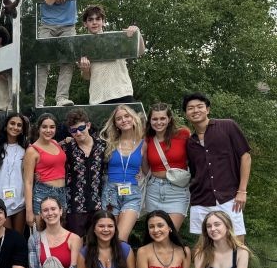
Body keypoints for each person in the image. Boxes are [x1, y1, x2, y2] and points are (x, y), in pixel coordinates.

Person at [184, 93, 251, 241]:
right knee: (205, 246)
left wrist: (242, 190)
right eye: (190, 108)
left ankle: (236, 266)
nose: (195, 110)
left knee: (236, 242)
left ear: (207, 109)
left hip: (229, 197)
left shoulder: (228, 126)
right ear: (186, 114)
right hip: (201, 199)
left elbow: (245, 157)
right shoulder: (189, 142)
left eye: (200, 106)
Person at [26, 0, 81, 107]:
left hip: (68, 24)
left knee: (68, 60)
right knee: (42, 61)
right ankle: (39, 101)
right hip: (47, 24)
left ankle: (62, 98)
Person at [77, 4, 145, 105]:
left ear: (103, 22)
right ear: (85, 24)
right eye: (90, 20)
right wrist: (85, 69)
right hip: (98, 97)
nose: (94, 22)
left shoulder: (117, 39)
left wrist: (137, 33)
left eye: (98, 19)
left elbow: (140, 51)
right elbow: (87, 77)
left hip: (123, 93)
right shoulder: (81, 46)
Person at [99, 104, 146, 241]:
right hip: (110, 193)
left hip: (132, 193)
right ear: (116, 124)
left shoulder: (143, 144)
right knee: (108, 238)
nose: (124, 120)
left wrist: (141, 174)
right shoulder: (109, 143)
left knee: (120, 239)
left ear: (133, 119)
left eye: (127, 116)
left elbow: (147, 170)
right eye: (119, 118)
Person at [143, 103, 191, 231]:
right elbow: (145, 166)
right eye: (155, 119)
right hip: (153, 189)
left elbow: (194, 158)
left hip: (177, 190)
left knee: (171, 233)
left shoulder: (183, 134)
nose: (159, 122)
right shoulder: (147, 139)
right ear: (150, 120)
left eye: (162, 118)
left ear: (169, 119)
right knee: (155, 233)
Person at [60, 109, 107, 238]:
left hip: (98, 205)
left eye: (81, 128)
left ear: (88, 125)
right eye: (74, 130)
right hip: (74, 207)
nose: (78, 133)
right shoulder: (66, 148)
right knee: (76, 246)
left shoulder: (103, 146)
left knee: (98, 245)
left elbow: (113, 168)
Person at [24, 113, 66, 229]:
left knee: (60, 232)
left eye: (52, 127)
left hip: (62, 193)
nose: (48, 130)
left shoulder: (56, 143)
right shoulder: (32, 150)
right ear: (38, 128)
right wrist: (29, 211)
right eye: (44, 127)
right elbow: (28, 182)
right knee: (43, 234)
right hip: (43, 193)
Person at [0, 112, 28, 234]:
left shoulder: (26, 150)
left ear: (22, 130)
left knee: (18, 238)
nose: (15, 127)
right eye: (12, 123)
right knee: (5, 238)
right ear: (5, 126)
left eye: (19, 125)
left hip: (20, 201)